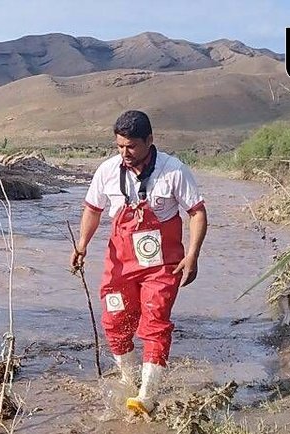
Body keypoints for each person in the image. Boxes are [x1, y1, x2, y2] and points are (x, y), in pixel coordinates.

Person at [71, 110, 208, 415]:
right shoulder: (107, 171)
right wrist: (82, 245)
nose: (125, 153)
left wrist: (192, 255)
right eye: (120, 146)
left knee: (155, 322)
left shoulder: (174, 171)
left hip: (162, 266)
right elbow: (92, 210)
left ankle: (147, 394)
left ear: (149, 141)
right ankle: (129, 379)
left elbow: (196, 213)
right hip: (119, 265)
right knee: (115, 321)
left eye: (131, 147)